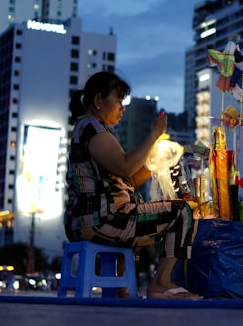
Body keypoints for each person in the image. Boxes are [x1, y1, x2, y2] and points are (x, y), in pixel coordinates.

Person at [64, 71, 200, 299]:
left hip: (87, 220)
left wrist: (154, 165)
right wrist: (154, 135)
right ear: (98, 101)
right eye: (118, 102)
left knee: (144, 217)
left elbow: (127, 181)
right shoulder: (93, 129)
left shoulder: (91, 129)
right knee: (183, 212)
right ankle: (161, 283)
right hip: (103, 219)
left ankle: (121, 286)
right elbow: (125, 167)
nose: (122, 108)